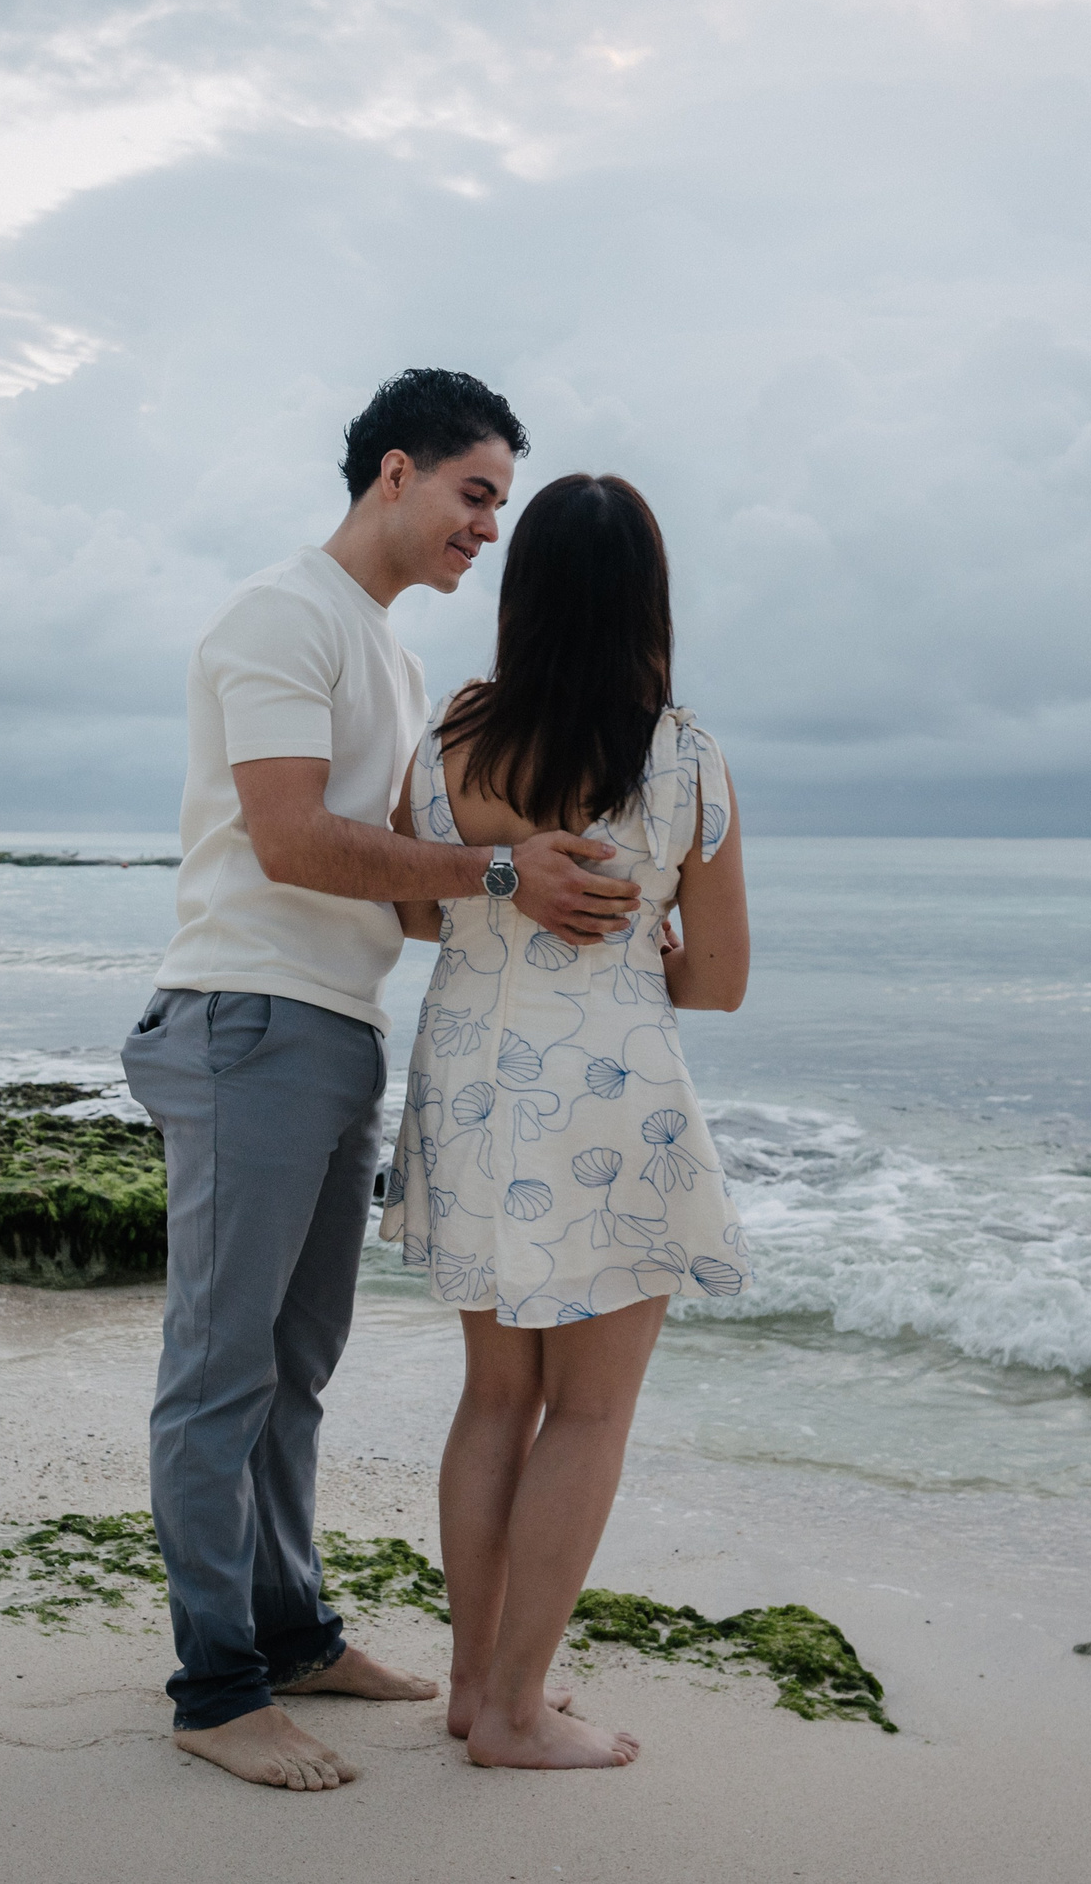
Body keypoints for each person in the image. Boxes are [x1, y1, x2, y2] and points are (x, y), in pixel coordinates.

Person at [122, 370, 646, 1793]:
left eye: (501, 506)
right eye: (476, 493)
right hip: (246, 1015)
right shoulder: (283, 618)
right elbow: (290, 841)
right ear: (396, 472)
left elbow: (408, 897)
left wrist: (580, 907)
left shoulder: (396, 659)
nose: (488, 527)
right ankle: (216, 1686)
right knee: (219, 1371)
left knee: (297, 1367)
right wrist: (499, 869)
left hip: (336, 1024)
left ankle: (290, 1632)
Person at [384, 471, 751, 1770]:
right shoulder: (683, 756)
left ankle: (471, 1685)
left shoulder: (446, 749)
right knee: (587, 1414)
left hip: (475, 1089)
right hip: (612, 1104)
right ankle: (522, 1718)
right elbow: (719, 980)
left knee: (495, 1395)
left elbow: (418, 913)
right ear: (648, 598)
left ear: (523, 593)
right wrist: (638, 932)